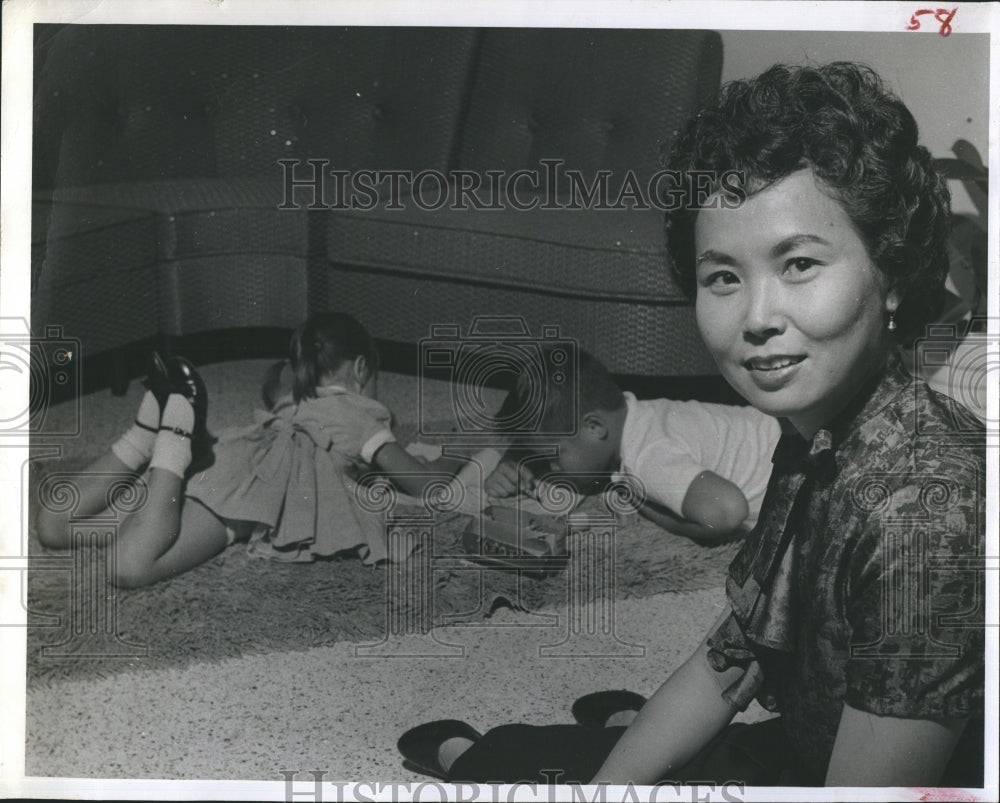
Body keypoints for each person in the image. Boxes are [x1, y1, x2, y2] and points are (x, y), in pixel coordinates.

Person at [397, 62, 986, 787]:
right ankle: (577, 734)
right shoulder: (813, 440)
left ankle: (488, 754)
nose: (758, 318)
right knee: (576, 762)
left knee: (536, 774)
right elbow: (728, 660)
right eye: (723, 277)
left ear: (891, 273)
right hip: (807, 744)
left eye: (799, 263)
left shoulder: (925, 512)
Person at [35, 311, 466, 587]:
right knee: (127, 567)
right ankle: (174, 437)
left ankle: (149, 434)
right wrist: (457, 456)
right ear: (360, 369)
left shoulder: (291, 401)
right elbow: (423, 483)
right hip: (232, 505)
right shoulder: (360, 415)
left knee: (56, 526)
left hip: (213, 461)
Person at [484, 348, 781, 541]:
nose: (551, 469)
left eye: (553, 458)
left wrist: (663, 518)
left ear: (594, 428)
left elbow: (729, 513)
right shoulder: (642, 413)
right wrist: (515, 460)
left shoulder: (647, 459)